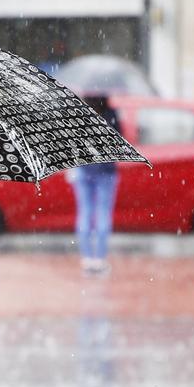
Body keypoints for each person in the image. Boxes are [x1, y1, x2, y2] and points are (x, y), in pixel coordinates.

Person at [70, 95, 121, 275]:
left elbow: (73, 143)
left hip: (84, 170)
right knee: (103, 213)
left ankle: (87, 259)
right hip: (106, 171)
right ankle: (99, 259)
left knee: (85, 212)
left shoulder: (80, 112)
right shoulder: (111, 113)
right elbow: (118, 142)